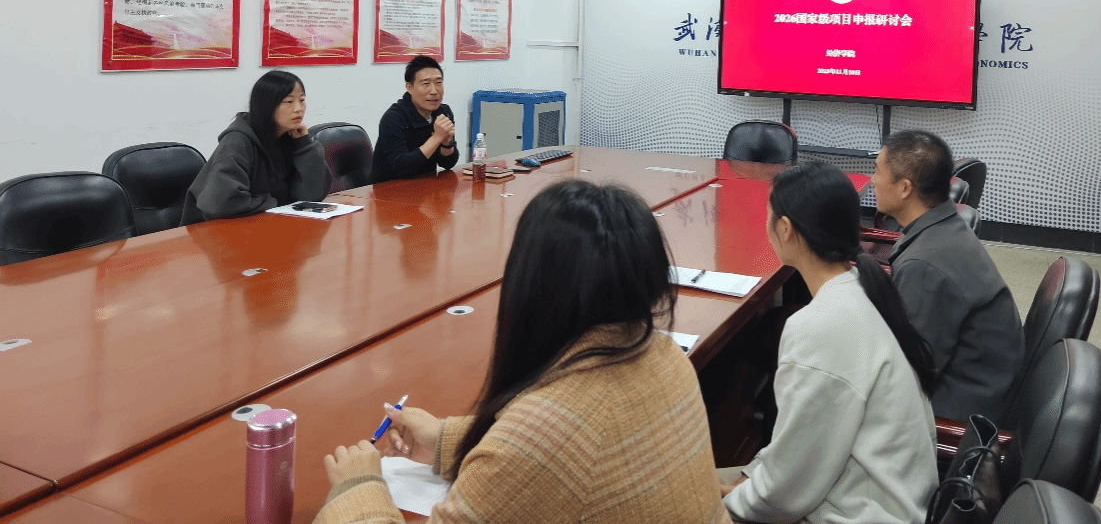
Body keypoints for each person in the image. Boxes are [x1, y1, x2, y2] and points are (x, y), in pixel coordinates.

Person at [314, 180, 732, 524]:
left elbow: (544, 453)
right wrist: (445, 440)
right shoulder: (665, 355)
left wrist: (359, 488)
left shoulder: (547, 435)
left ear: (531, 286)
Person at [721, 162, 939, 524]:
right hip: (886, 498)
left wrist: (727, 501)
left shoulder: (820, 327)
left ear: (785, 229)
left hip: (861, 513)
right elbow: (799, 454)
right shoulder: (863, 287)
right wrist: (751, 476)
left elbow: (787, 492)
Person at [873, 129, 1025, 424]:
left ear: (904, 188)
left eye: (878, 171)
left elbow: (908, 373)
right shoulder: (943, 228)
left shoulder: (925, 265)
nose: (873, 180)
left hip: (960, 411)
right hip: (980, 384)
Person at [180, 70, 333, 225]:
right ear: (267, 105)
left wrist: (304, 146)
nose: (298, 108)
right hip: (212, 231)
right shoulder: (237, 141)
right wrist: (276, 202)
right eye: (288, 101)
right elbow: (222, 203)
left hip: (266, 224)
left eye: (302, 100)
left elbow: (313, 196)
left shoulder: (289, 137)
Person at [371, 55, 459, 182]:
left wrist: (446, 143)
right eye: (426, 84)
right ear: (409, 87)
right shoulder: (393, 118)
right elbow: (402, 169)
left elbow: (448, 164)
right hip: (389, 188)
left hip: (425, 186)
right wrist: (436, 138)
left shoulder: (443, 112)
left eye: (438, 83)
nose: (434, 91)